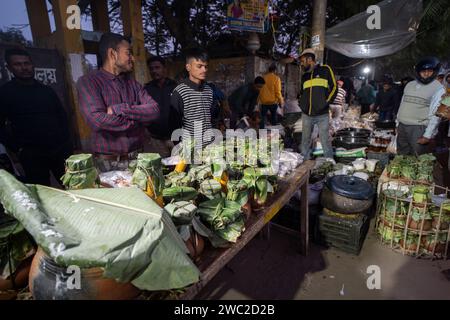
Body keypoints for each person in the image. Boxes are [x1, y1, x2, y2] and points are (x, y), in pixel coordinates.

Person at [77, 33, 160, 172]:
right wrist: (137, 122)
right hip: (107, 163)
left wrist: (119, 109)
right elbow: (98, 120)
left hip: (138, 158)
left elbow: (154, 110)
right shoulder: (88, 82)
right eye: (128, 53)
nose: (132, 58)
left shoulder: (134, 84)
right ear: (112, 53)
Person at [0, 48, 73, 186]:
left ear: (32, 65)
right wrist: (17, 148)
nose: (24, 68)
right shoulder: (5, 93)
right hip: (32, 155)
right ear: (9, 68)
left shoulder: (46, 91)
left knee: (72, 187)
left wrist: (66, 144)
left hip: (59, 151)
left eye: (26, 63)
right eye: (18, 64)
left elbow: (62, 116)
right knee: (42, 193)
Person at [396, 57, 445, 156]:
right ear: (418, 72)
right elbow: (403, 104)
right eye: (423, 71)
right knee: (401, 156)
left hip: (419, 128)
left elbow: (436, 114)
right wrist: (397, 123)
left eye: (430, 71)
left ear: (434, 72)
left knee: (419, 157)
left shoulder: (438, 88)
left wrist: (427, 135)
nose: (426, 74)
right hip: (402, 127)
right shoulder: (409, 84)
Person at [171, 49, 214, 149]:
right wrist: (180, 147)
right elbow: (174, 124)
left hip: (210, 145)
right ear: (188, 67)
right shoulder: (180, 91)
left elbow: (210, 116)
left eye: (206, 66)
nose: (204, 70)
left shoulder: (209, 90)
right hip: (190, 147)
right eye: (199, 66)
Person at [298, 48, 337, 160]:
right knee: (305, 140)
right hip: (307, 114)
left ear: (310, 59)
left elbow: (334, 87)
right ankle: (305, 162)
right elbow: (301, 93)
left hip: (322, 114)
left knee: (325, 140)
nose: (301, 63)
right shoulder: (304, 76)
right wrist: (302, 104)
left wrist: (326, 102)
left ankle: (329, 161)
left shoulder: (325, 70)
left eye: (303, 60)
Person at [144, 56, 177, 158]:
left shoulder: (175, 86)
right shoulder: (146, 89)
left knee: (180, 166)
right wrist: (146, 130)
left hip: (176, 138)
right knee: (162, 168)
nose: (154, 71)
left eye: (157, 67)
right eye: (151, 68)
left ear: (164, 69)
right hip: (156, 139)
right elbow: (143, 111)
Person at [259, 64, 284, 128]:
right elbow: (278, 91)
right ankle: (274, 134)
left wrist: (258, 101)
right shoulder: (276, 78)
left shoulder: (263, 78)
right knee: (273, 117)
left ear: (269, 70)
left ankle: (261, 133)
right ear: (275, 70)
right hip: (273, 102)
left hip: (264, 102)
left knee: (263, 118)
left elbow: (260, 90)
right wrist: (281, 101)